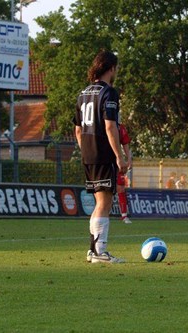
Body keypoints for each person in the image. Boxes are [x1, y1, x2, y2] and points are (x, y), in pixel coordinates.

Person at [74, 50, 126, 264]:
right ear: (111, 68)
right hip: (103, 154)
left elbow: (78, 131)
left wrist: (87, 149)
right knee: (105, 201)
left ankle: (92, 250)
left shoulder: (83, 93)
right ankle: (99, 252)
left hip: (87, 154)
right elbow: (110, 126)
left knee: (99, 201)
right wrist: (119, 156)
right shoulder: (109, 93)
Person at [117, 123, 132, 224]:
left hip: (119, 163)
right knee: (103, 190)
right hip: (105, 162)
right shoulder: (102, 124)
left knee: (121, 189)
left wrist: (129, 159)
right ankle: (101, 215)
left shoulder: (120, 127)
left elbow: (125, 144)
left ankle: (124, 215)